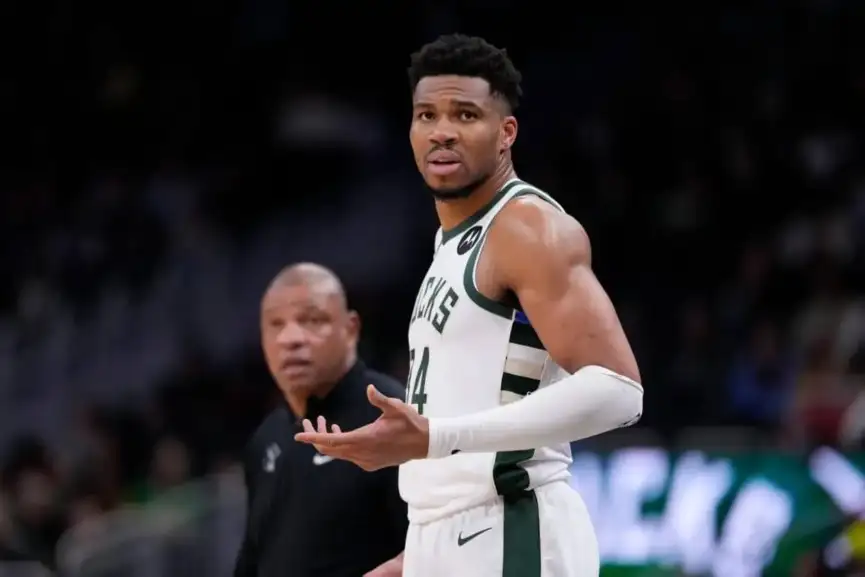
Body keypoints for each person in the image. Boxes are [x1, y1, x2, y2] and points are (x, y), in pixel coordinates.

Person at [295, 34, 644, 577]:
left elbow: (619, 392)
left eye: (465, 114)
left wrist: (436, 438)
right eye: (427, 115)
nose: (442, 131)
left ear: (506, 133)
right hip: (456, 538)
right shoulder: (451, 243)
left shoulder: (527, 228)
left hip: (513, 530)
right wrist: (419, 556)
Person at [234, 263, 407, 577]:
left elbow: (439, 543)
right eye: (275, 324)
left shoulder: (393, 415)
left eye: (312, 320)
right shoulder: (264, 441)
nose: (290, 338)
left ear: (351, 329)